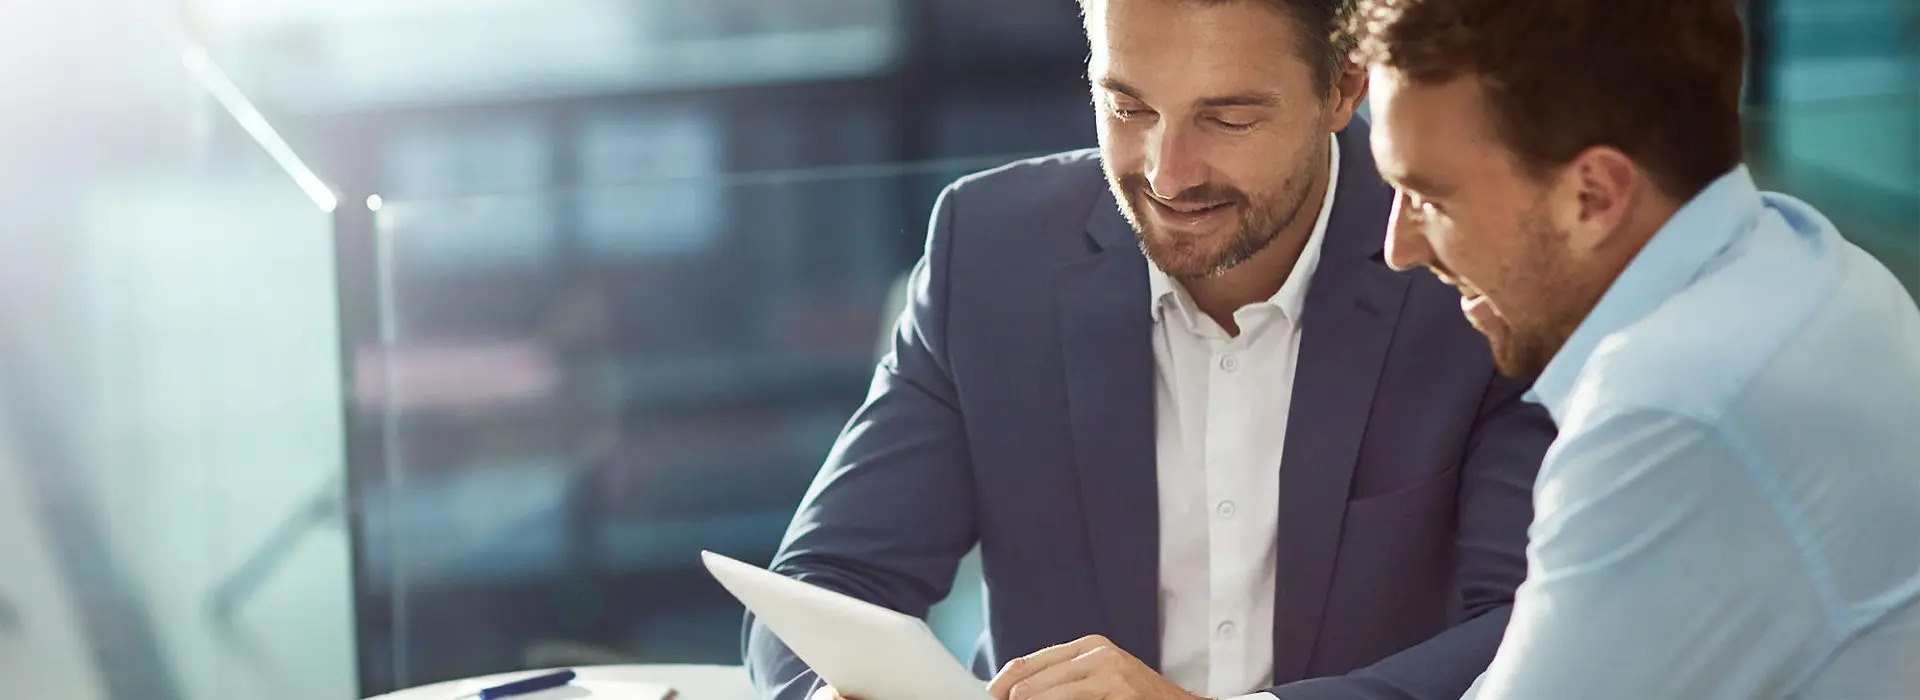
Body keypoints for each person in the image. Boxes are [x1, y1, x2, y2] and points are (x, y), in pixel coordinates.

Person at [745, 1, 1557, 699]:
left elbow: (1533, 628)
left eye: (1228, 118)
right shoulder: (990, 253)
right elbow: (823, 586)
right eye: (1128, 109)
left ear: (1345, 87)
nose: (1168, 173)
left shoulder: (1462, 265)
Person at [1350, 0, 1920, 697]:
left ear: (1594, 195)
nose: (1399, 249)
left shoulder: (1673, 413)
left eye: (1429, 199)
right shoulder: (1812, 264)